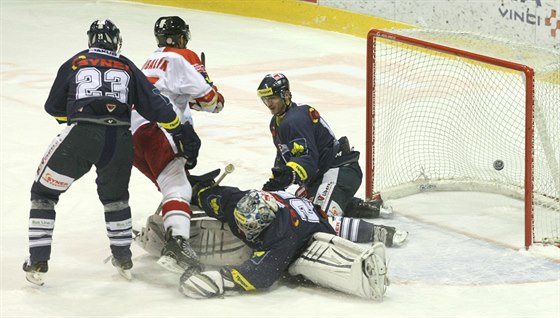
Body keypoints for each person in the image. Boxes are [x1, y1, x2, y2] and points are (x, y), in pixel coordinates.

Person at [23, 19, 195, 285]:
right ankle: (123, 259)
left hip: (81, 135)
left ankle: (38, 261)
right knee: (116, 200)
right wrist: (177, 127)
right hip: (120, 140)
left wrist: (76, 120)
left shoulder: (76, 61)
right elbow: (155, 106)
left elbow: (52, 106)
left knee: (44, 194)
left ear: (91, 40)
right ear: (116, 41)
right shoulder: (126, 64)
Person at [178, 181, 389, 300]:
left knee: (298, 267)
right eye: (241, 224)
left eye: (251, 228)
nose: (244, 231)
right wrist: (195, 192)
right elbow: (214, 195)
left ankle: (362, 266)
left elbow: (260, 276)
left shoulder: (283, 235)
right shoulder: (238, 201)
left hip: (311, 231)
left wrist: (219, 279)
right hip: (297, 208)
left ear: (267, 223)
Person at [131, 16, 224, 273]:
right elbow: (212, 102)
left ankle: (174, 222)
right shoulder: (184, 55)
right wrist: (210, 88)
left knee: (172, 182)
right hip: (157, 128)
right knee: (178, 187)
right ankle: (178, 243)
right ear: (182, 37)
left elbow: (169, 93)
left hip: (129, 135)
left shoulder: (150, 60)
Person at [257, 73, 390, 219]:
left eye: (273, 98)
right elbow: (284, 156)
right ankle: (370, 208)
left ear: (286, 95)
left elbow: (308, 159)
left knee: (316, 218)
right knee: (300, 209)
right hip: (319, 178)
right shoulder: (276, 123)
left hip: (338, 171)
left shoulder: (295, 119)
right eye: (265, 99)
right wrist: (276, 182)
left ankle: (377, 233)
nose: (269, 103)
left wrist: (288, 175)